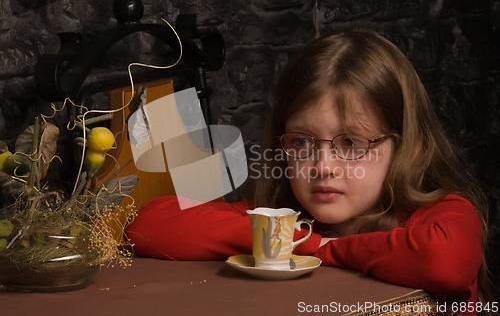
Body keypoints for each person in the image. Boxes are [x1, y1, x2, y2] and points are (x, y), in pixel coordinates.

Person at [125, 29, 492, 315]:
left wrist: (329, 251)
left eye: (351, 143)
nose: (323, 166)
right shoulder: (285, 223)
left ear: (402, 144)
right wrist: (303, 241)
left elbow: (443, 262)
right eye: (302, 142)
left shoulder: (443, 217)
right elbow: (150, 224)